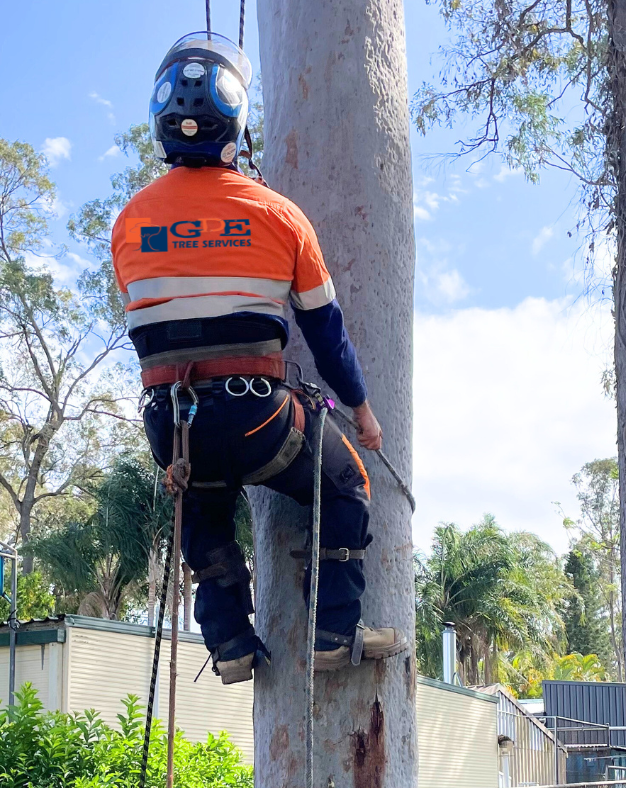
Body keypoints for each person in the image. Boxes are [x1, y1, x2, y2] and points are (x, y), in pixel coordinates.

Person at [111, 32, 406, 685]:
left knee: (203, 496)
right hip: (257, 420)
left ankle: (232, 641)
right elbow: (326, 335)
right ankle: (333, 632)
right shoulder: (279, 217)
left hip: (170, 425)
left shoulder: (129, 223)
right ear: (236, 123)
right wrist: (362, 412)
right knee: (347, 483)